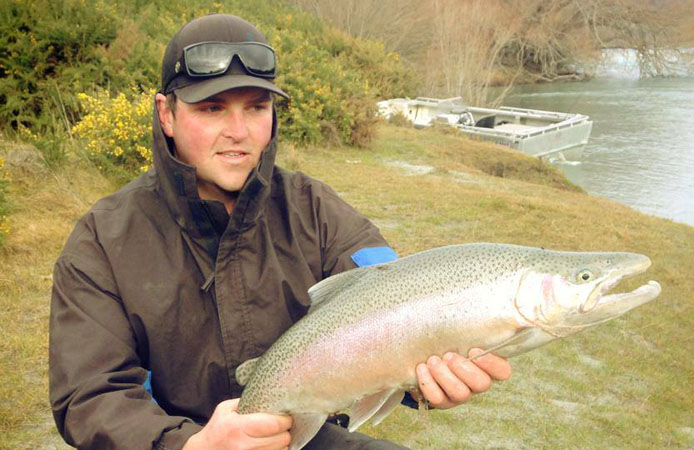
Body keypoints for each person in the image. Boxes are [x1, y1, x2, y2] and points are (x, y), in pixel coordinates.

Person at [49, 13, 512, 450]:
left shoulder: (315, 209)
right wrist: (188, 442)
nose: (238, 131)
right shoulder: (102, 239)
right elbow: (87, 395)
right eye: (211, 108)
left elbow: (395, 300)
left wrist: (425, 381)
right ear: (166, 115)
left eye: (256, 107)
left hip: (302, 435)